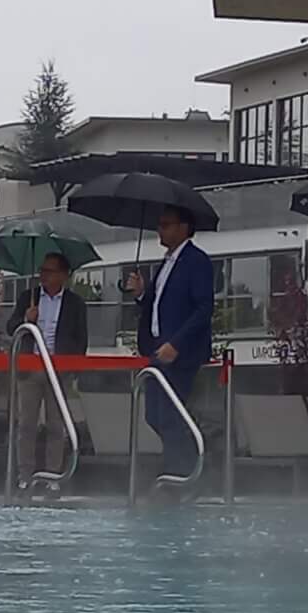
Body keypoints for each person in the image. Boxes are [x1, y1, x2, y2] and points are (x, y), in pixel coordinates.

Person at [126, 206, 213, 485]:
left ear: (184, 227)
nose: (160, 230)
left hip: (180, 353)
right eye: (159, 224)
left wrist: (176, 343)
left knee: (170, 413)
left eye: (166, 224)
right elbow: (155, 305)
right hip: (157, 351)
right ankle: (183, 467)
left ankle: (182, 472)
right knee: (154, 414)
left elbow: (203, 308)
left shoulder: (196, 261)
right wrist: (140, 294)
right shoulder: (165, 263)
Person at [12, 250, 89, 485]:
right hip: (30, 368)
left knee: (57, 425)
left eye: (50, 271)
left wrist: (71, 369)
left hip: (59, 371)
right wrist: (26, 319)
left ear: (63, 275)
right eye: (42, 271)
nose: (43, 275)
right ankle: (25, 475)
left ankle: (53, 475)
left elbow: (80, 339)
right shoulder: (29, 297)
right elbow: (10, 327)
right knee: (27, 424)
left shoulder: (75, 303)